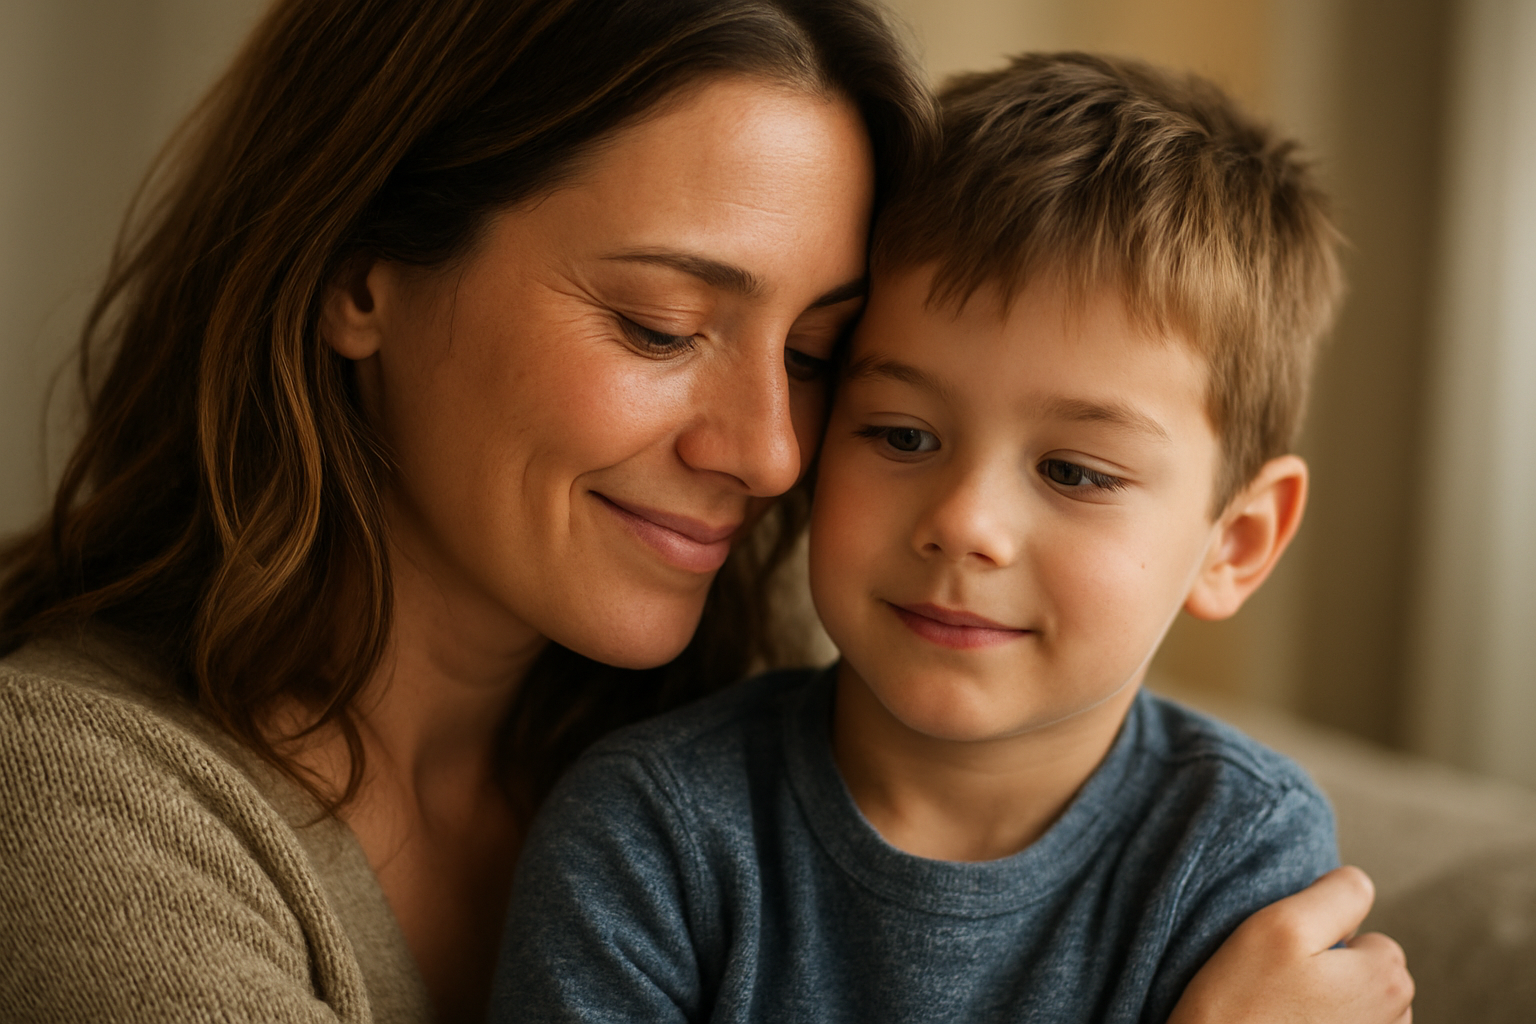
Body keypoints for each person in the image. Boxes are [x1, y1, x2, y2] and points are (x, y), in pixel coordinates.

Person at [0, 0, 1406, 1020]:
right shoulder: (72, 802)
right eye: (662, 324)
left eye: (812, 361)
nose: (776, 455)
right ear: (360, 270)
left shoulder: (706, 719)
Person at [493, 52, 1414, 1023]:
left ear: (1237, 542)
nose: (965, 522)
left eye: (1075, 472)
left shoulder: (1236, 849)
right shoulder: (652, 835)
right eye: (902, 435)